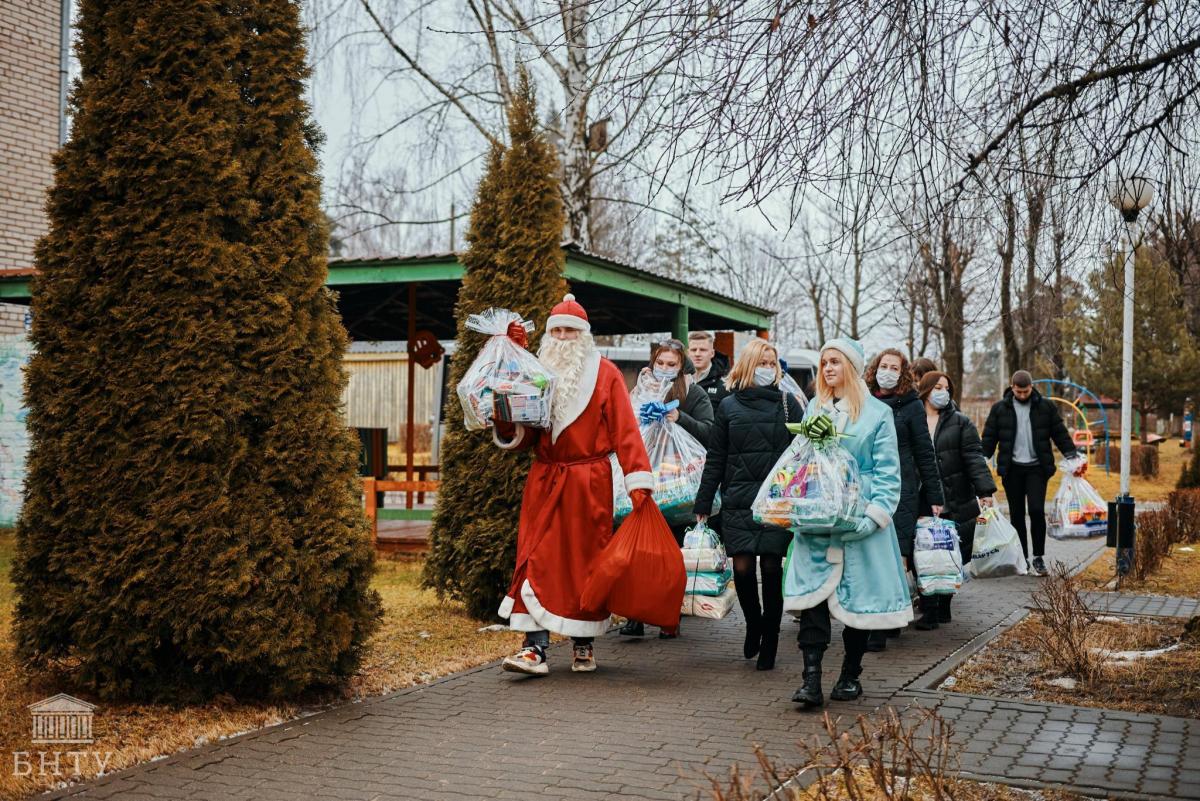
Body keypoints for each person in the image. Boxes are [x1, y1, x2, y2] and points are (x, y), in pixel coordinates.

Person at [493, 294, 654, 675]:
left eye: (570, 330)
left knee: (585, 563)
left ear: (583, 335)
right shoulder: (534, 373)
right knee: (535, 558)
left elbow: (627, 433)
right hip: (545, 479)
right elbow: (525, 436)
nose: (563, 337)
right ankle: (534, 648)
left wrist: (639, 485)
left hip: (588, 483)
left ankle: (583, 642)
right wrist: (503, 415)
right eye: (557, 331)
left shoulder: (607, 375)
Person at [783, 338, 911, 708]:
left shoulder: (876, 414)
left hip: (858, 517)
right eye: (824, 363)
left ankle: (850, 674)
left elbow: (889, 473)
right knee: (813, 599)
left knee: (859, 601)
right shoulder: (814, 407)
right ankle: (810, 680)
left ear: (852, 368)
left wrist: (874, 516)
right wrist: (789, 496)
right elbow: (798, 460)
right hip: (817, 519)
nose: (828, 369)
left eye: (835, 362)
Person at [693, 339, 804, 671]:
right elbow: (716, 458)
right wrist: (703, 501)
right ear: (747, 366)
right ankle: (753, 623)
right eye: (761, 362)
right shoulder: (728, 406)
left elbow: (802, 456)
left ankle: (769, 637)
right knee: (741, 568)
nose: (767, 369)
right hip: (739, 499)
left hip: (775, 502)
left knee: (771, 567)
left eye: (772, 363)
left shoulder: (788, 405)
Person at [619, 339, 713, 639]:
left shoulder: (693, 394)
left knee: (670, 556)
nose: (664, 369)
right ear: (652, 363)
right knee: (638, 550)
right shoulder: (640, 391)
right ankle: (635, 615)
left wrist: (678, 418)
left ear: (681, 366)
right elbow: (623, 428)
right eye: (660, 363)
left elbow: (710, 431)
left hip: (678, 487)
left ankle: (668, 616)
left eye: (671, 365)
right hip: (644, 480)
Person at [863, 349, 944, 645]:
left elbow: (925, 452)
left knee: (896, 556)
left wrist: (934, 495)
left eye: (893, 367)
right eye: (882, 365)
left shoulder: (911, 406)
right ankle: (879, 618)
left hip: (902, 490)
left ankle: (886, 621)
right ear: (875, 369)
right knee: (872, 554)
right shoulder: (865, 401)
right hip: (869, 488)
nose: (887, 370)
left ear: (902, 372)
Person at [981, 370, 1078, 577]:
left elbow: (1059, 432)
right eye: (1019, 391)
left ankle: (1039, 557)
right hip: (1012, 469)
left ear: (1031, 387)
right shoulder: (1000, 409)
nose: (1022, 395)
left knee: (1035, 510)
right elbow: (989, 437)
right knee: (1016, 514)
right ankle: (1022, 557)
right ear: (1012, 387)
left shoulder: (1045, 407)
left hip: (1037, 468)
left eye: (1026, 391)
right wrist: (981, 459)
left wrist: (1072, 456)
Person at [918, 371, 996, 624]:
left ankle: (945, 603)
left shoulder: (961, 422)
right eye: (937, 387)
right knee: (924, 552)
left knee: (951, 552)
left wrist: (985, 491)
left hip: (955, 495)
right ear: (926, 390)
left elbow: (974, 457)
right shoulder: (913, 419)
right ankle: (929, 608)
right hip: (922, 498)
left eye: (947, 387)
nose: (943, 392)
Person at [689, 331, 731, 408]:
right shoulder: (678, 380)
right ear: (688, 352)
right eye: (693, 350)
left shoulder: (725, 384)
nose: (697, 354)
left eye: (703, 350)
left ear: (712, 353)